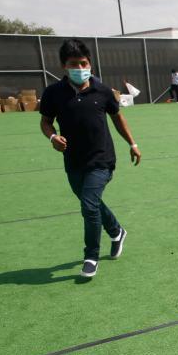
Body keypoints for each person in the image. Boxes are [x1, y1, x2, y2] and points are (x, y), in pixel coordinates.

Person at [39, 39, 141, 279]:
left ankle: (91, 256)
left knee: (88, 204)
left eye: (83, 63)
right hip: (73, 160)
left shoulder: (102, 90)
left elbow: (118, 118)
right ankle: (117, 231)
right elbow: (45, 121)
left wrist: (133, 144)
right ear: (64, 66)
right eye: (74, 64)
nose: (80, 68)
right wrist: (52, 136)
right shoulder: (54, 93)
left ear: (90, 64)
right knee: (91, 203)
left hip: (102, 159)